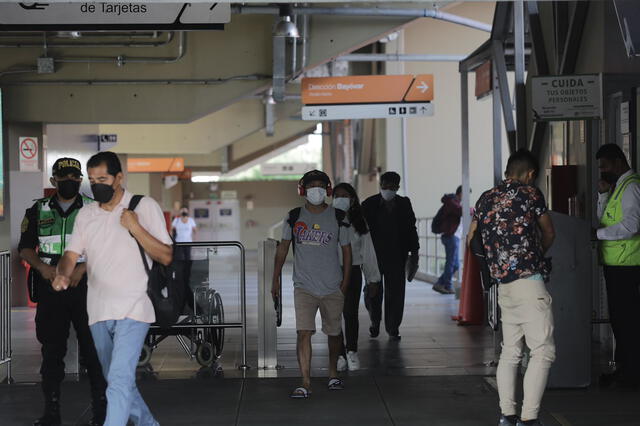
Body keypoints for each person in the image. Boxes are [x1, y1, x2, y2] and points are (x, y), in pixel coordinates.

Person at [52, 151, 173, 426]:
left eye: (103, 179)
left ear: (119, 178)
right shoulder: (86, 215)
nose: (97, 186)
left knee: (118, 380)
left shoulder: (144, 206)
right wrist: (62, 274)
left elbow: (165, 255)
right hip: (98, 310)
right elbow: (71, 254)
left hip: (134, 307)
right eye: (93, 180)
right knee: (118, 381)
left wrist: (136, 227)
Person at [467, 149, 556, 426]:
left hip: (503, 285)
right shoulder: (531, 195)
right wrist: (535, 253)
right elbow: (549, 232)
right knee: (542, 350)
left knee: (510, 351)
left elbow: (472, 238)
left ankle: (507, 416)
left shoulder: (485, 199)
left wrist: (495, 265)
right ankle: (529, 419)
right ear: (530, 174)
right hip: (529, 283)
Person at [19, 157, 107, 426]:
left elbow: (106, 247)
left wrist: (82, 269)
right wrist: (43, 270)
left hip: (85, 288)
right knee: (52, 351)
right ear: (53, 180)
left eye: (75, 177)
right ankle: (51, 412)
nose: (70, 181)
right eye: (64, 177)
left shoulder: (95, 210)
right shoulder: (38, 210)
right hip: (51, 289)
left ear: (80, 180)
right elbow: (25, 248)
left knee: (94, 351)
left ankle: (103, 413)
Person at [271, 170, 352, 398]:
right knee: (303, 332)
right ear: (303, 190)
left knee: (334, 333)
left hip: (332, 286)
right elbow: (283, 249)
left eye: (320, 185)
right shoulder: (294, 216)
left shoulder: (338, 217)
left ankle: (333, 373)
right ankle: (305, 382)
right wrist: (275, 280)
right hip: (304, 287)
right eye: (311, 185)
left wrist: (344, 283)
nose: (315, 189)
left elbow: (347, 253)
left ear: (327, 190)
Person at [595, 144, 640, 390]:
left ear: (619, 162)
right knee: (620, 320)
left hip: (627, 265)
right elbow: (605, 218)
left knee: (627, 321)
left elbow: (632, 226)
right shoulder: (617, 187)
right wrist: (602, 195)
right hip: (616, 265)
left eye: (605, 166)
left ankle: (631, 372)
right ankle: (626, 369)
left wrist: (598, 234)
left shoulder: (631, 187)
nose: (602, 171)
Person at [362, 171, 419, 340]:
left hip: (396, 255)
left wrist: (414, 252)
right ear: (380, 186)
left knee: (396, 293)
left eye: (392, 187)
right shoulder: (368, 204)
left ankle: (393, 327)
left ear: (398, 188)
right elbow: (359, 230)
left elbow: (411, 229)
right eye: (385, 187)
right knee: (372, 291)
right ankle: (374, 321)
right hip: (373, 257)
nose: (388, 190)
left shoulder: (404, 204)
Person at [332, 183, 381, 372]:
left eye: (345, 196)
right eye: (337, 195)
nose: (341, 199)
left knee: (350, 313)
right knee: (333, 314)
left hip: (352, 272)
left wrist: (373, 279)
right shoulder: (326, 220)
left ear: (352, 199)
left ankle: (351, 351)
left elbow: (368, 252)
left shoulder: (360, 222)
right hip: (330, 272)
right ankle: (339, 354)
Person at [433, 185, 464, 295]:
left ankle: (440, 283)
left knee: (455, 265)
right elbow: (461, 211)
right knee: (451, 263)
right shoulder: (452, 202)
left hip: (453, 236)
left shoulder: (452, 202)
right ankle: (448, 286)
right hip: (451, 236)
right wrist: (474, 209)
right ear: (461, 193)